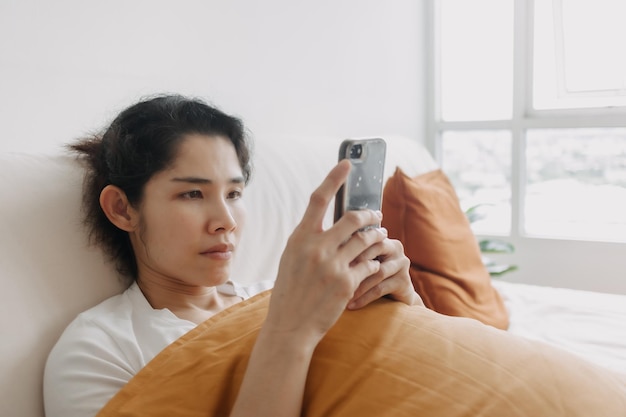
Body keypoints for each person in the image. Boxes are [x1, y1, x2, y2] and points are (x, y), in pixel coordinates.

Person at [43, 94, 420, 417]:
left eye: (234, 194)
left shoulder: (289, 294)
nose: (225, 222)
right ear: (122, 209)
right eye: (193, 194)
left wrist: (408, 307)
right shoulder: (100, 349)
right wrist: (291, 333)